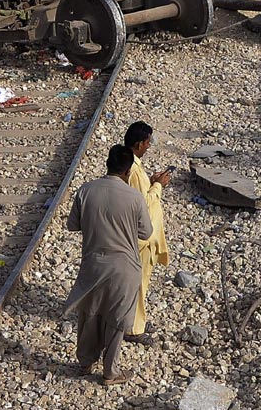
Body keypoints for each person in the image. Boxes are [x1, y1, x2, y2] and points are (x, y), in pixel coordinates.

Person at [64, 145, 153, 386]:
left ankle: (85, 362)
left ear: (107, 164)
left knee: (89, 314)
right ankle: (110, 372)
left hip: (93, 264)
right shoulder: (134, 197)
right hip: (125, 268)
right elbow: (146, 232)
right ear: (128, 170)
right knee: (116, 319)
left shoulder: (86, 190)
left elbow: (72, 225)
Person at [122, 121, 172, 346]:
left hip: (143, 235)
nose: (149, 146)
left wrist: (151, 182)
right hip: (141, 238)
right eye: (148, 142)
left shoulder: (132, 165)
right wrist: (158, 185)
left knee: (140, 281)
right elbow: (141, 202)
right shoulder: (133, 170)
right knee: (138, 282)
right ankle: (133, 328)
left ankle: (137, 320)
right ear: (139, 144)